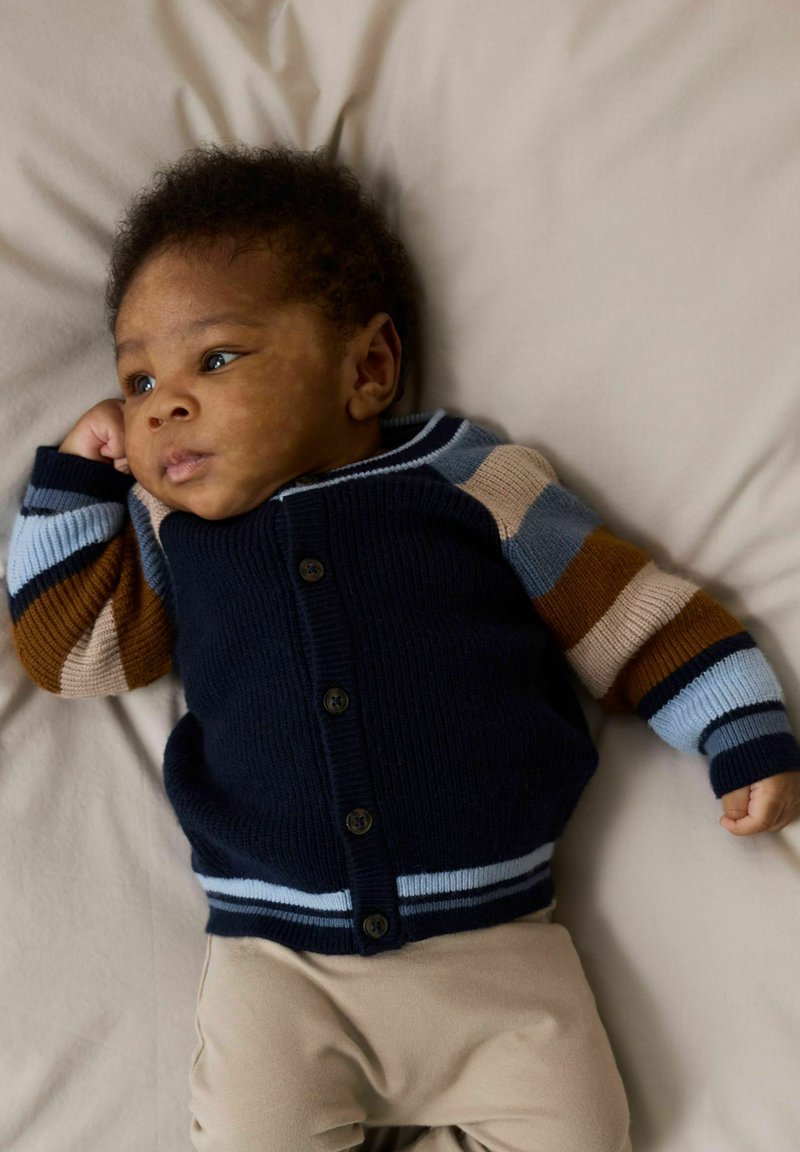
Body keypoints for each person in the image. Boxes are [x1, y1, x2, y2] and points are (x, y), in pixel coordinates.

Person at [7, 143, 800, 1152]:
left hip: (499, 954)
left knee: (583, 1134)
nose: (161, 401)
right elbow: (68, 654)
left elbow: (627, 617)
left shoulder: (473, 483)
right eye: (136, 376)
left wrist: (741, 729)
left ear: (366, 367)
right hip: (280, 969)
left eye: (214, 359)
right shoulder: (173, 536)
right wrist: (77, 481)